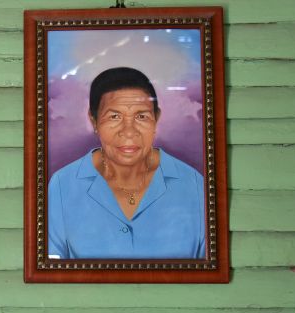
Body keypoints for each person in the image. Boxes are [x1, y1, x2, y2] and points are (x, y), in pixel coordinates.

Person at [48, 67, 206, 259]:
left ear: (156, 119)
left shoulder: (194, 185)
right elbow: (50, 273)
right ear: (94, 120)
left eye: (141, 116)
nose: (129, 131)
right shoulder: (63, 185)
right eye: (114, 117)